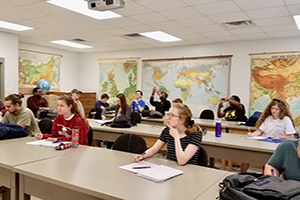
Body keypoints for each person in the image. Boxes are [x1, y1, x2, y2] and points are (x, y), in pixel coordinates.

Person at [134, 103, 203, 166]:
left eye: (172, 115)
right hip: (170, 168)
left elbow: (182, 161)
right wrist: (142, 156)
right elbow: (153, 150)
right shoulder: (167, 131)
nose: (167, 118)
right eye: (168, 114)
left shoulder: (195, 135)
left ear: (182, 120)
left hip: (188, 171)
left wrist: (176, 137)